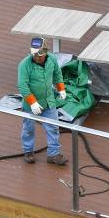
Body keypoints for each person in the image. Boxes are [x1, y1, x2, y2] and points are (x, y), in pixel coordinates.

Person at [17, 37, 67, 165]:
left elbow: (57, 74)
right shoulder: (24, 65)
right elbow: (23, 85)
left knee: (53, 127)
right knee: (28, 128)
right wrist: (32, 102)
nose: (37, 57)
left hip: (49, 102)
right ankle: (28, 151)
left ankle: (53, 154)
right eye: (34, 54)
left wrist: (61, 88)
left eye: (40, 54)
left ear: (45, 52)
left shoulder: (52, 60)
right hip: (30, 105)